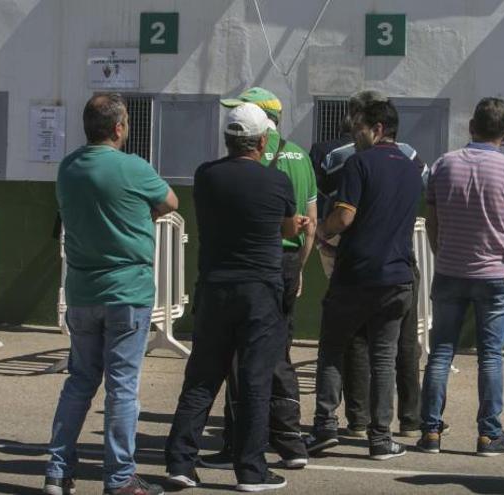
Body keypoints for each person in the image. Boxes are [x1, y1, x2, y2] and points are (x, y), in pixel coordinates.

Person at [164, 103, 309, 492]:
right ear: (262, 141)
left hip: (214, 287)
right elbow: (282, 226)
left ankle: (180, 461)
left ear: (228, 140)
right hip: (259, 290)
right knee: (255, 379)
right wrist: (296, 225)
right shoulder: (277, 182)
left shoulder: (206, 176)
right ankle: (251, 470)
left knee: (202, 376)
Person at [45, 93, 178, 495]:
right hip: (127, 293)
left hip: (83, 291)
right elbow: (169, 201)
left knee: (79, 381)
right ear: (119, 127)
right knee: (122, 386)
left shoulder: (68, 167)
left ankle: (57, 471)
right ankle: (119, 478)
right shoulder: (133, 168)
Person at [197, 87, 315, 471]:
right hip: (286, 262)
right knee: (278, 353)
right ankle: (291, 439)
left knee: (240, 359)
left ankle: (240, 444)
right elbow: (309, 222)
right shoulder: (301, 156)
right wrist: (298, 268)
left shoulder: (251, 157)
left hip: (252, 267)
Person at [416, 97, 504, 456]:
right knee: (491, 357)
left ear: (471, 127)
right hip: (496, 274)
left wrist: (442, 252)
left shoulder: (443, 165)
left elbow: (432, 220)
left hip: (451, 270)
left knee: (440, 353)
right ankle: (489, 435)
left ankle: (430, 432)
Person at [305, 100, 422, 460]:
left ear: (378, 129)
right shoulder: (411, 167)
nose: (353, 134)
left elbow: (344, 216)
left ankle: (325, 426)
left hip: (356, 275)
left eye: (358, 127)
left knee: (332, 350)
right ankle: (380, 438)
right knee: (384, 358)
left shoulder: (358, 163)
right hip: (398, 277)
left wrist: (320, 231)